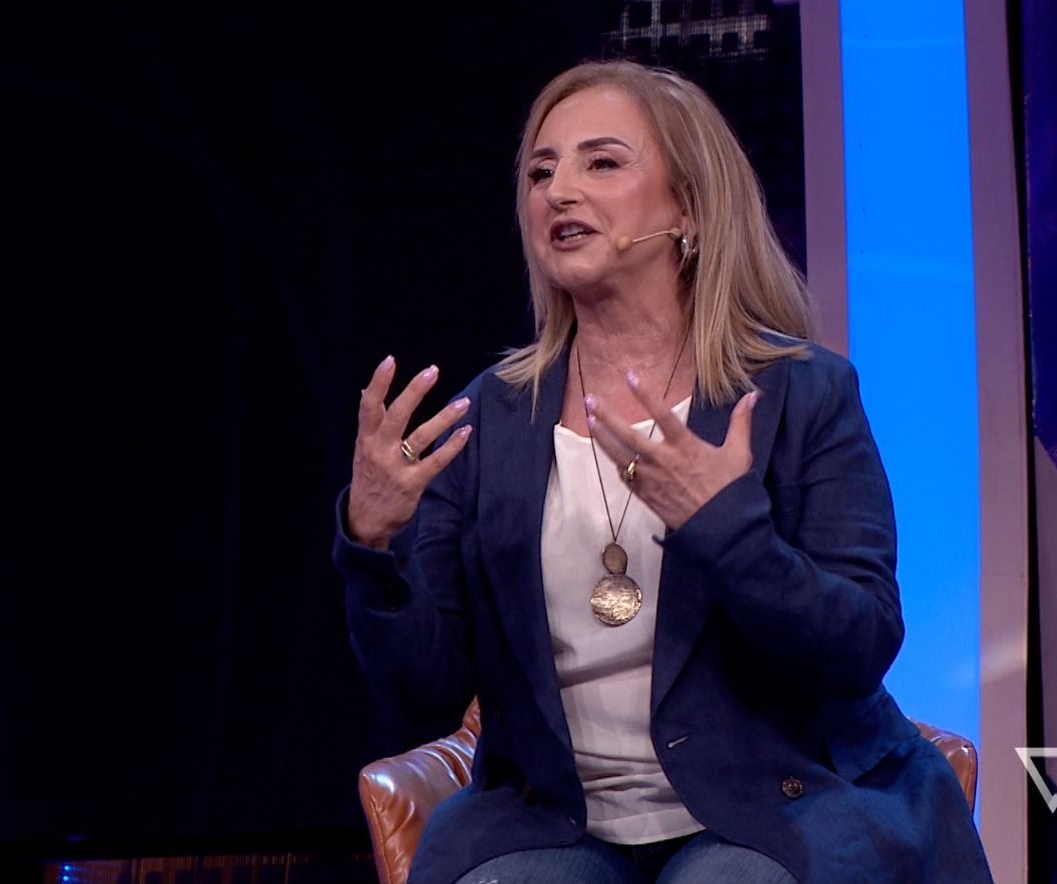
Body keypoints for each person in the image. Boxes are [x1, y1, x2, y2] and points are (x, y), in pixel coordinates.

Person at [333, 59, 993, 884]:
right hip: (554, 819)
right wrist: (373, 544)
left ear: (688, 208)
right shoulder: (490, 419)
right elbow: (424, 689)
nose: (559, 192)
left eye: (601, 162)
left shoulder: (802, 394)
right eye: (541, 172)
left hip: (780, 802)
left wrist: (727, 529)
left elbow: (857, 647)